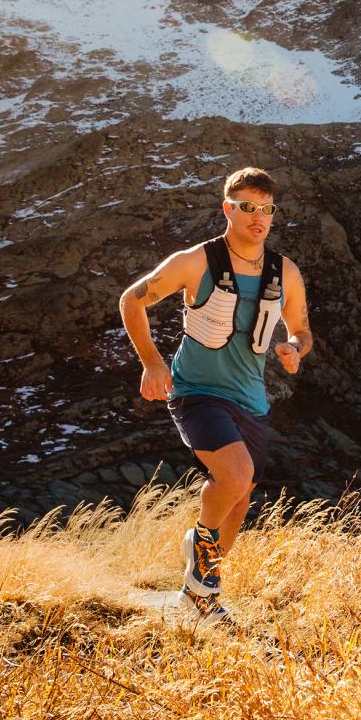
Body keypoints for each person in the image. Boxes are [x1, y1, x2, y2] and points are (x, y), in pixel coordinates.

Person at [119, 167, 312, 624]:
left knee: (240, 495)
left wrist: (294, 350)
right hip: (196, 391)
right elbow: (132, 299)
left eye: (266, 210)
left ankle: (198, 593)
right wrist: (151, 362)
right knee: (236, 473)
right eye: (247, 207)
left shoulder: (284, 271)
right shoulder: (196, 261)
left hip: (252, 400)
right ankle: (200, 555)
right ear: (228, 209)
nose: (258, 217)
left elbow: (302, 330)